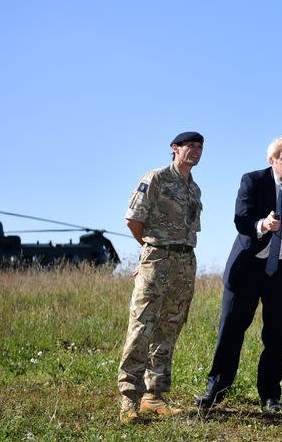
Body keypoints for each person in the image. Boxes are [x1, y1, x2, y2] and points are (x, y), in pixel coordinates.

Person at [195, 136, 282, 414]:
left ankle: (270, 396)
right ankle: (216, 390)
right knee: (231, 330)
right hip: (248, 268)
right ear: (272, 161)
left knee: (276, 335)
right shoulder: (252, 180)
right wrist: (263, 224)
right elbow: (241, 218)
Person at [117, 131, 204, 424]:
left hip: (184, 262)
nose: (195, 150)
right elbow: (133, 219)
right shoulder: (156, 178)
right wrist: (148, 251)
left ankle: (153, 396)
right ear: (175, 149)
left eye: (199, 147)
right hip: (157, 259)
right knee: (142, 326)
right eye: (189, 146)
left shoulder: (194, 189)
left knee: (169, 328)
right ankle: (128, 399)